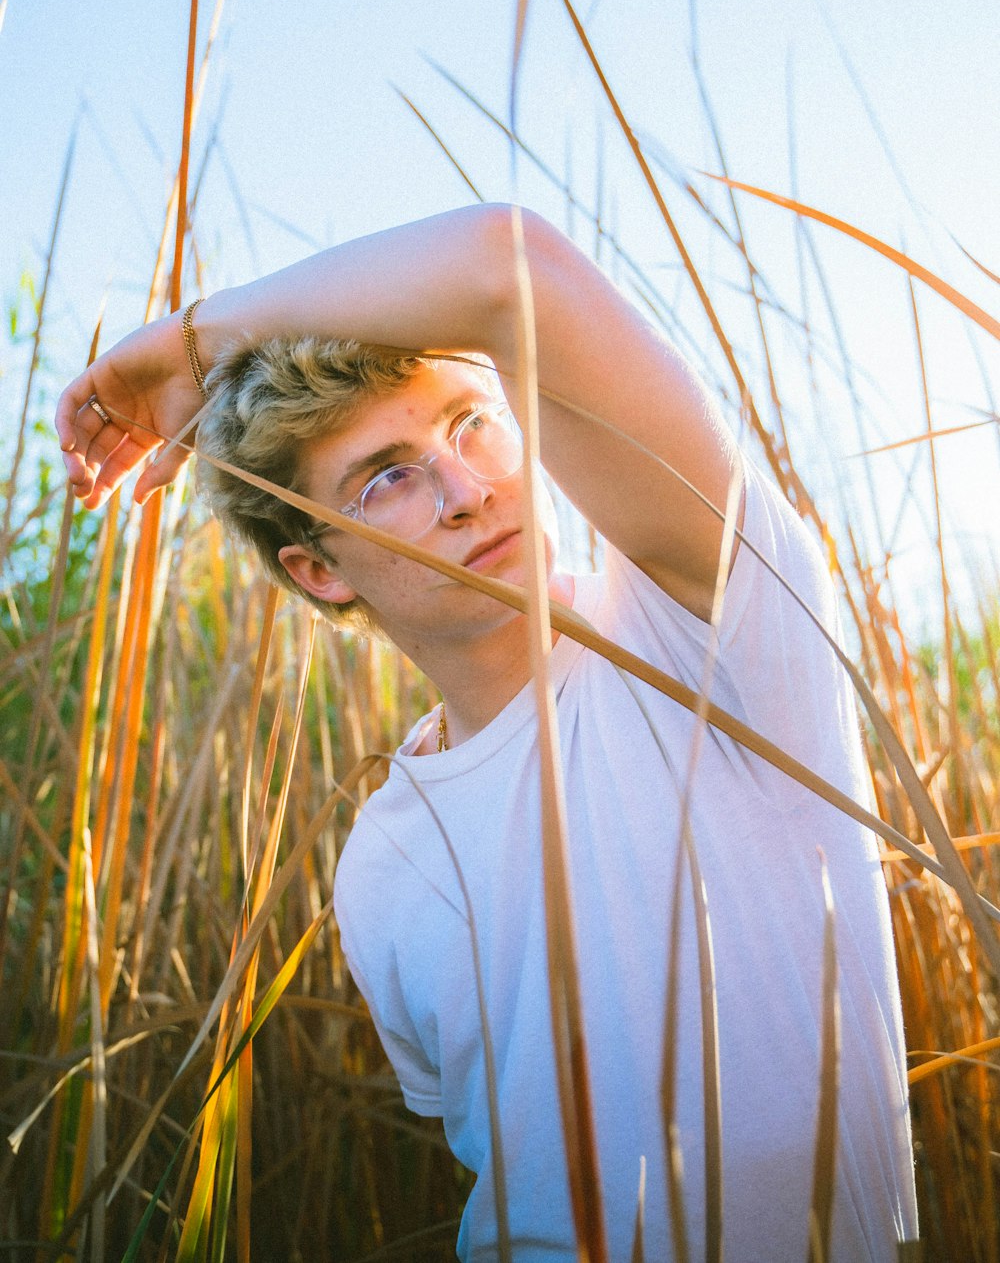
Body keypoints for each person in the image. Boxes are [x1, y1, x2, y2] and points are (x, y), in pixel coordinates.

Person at [56, 203, 917, 1260]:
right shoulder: (381, 863)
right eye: (388, 477)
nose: (468, 488)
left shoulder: (709, 625)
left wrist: (201, 341)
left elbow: (509, 263)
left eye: (472, 422)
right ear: (319, 572)